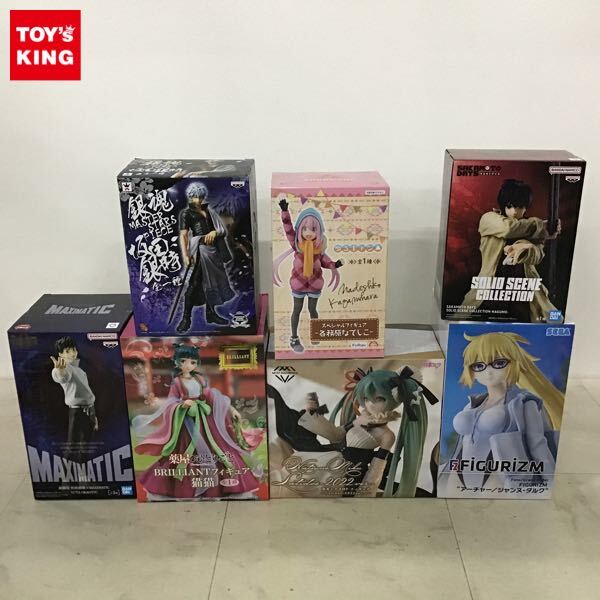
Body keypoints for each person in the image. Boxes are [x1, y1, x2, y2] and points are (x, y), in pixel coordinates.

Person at [131, 343, 262, 500]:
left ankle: (230, 488)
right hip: (187, 422)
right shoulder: (177, 382)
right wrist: (181, 405)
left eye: (192, 362)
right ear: (177, 362)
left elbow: (213, 396)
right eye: (183, 361)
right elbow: (171, 402)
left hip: (207, 422)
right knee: (184, 454)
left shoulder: (199, 379)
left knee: (219, 450)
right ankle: (180, 489)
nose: (188, 365)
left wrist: (231, 409)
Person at [444, 332, 563, 490]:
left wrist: (550, 483)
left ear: (514, 363)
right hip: (458, 472)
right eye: (479, 366)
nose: (488, 372)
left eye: (499, 363)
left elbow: (538, 445)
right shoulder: (473, 404)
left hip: (497, 474)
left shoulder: (524, 403)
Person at [456, 179, 560, 322]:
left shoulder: (533, 231)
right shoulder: (489, 219)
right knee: (463, 323)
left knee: (549, 323)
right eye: (510, 206)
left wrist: (525, 248)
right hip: (489, 291)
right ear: (503, 204)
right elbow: (508, 229)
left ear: (526, 207)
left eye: (520, 207)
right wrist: (542, 226)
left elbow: (538, 256)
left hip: (524, 294)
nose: (515, 211)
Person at [273, 195, 343, 353]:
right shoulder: (297, 244)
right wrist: (285, 211)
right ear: (300, 230)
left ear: (319, 230)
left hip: (315, 284)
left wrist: (335, 265)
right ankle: (294, 337)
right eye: (305, 229)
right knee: (297, 310)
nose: (309, 232)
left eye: (313, 229)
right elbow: (288, 229)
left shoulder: (319, 248)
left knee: (313, 310)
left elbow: (325, 262)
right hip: (298, 284)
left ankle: (315, 333)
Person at [176, 182, 235, 332]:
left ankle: (210, 313)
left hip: (213, 251)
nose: (199, 200)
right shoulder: (186, 213)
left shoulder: (208, 210)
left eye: (201, 197)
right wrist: (185, 255)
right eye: (196, 197)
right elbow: (183, 235)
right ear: (190, 197)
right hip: (199, 250)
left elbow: (219, 229)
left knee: (212, 283)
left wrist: (215, 232)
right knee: (194, 283)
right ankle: (186, 318)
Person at [50, 337, 98, 462]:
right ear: (60, 354)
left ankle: (82, 471)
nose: (72, 353)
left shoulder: (80, 370)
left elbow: (88, 394)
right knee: (72, 445)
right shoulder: (66, 368)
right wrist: (60, 371)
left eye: (74, 349)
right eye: (67, 351)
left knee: (85, 446)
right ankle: (66, 472)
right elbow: (62, 377)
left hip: (89, 410)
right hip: (77, 412)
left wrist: (93, 415)